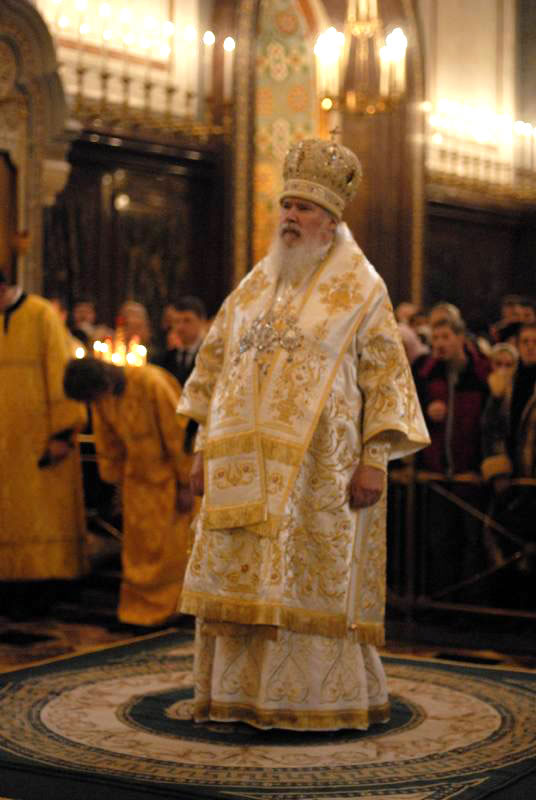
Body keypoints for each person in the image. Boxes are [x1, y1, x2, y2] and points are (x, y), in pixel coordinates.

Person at [176, 137, 429, 732]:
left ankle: (315, 702)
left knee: (307, 580)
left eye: (304, 208)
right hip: (240, 468)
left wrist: (374, 460)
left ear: (331, 220)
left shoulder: (362, 288)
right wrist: (202, 448)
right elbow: (214, 368)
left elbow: (386, 377)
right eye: (286, 205)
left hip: (321, 474)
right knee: (243, 581)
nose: (290, 216)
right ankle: (235, 697)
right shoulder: (254, 285)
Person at [63, 357, 193, 628]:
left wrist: (185, 483)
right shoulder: (103, 397)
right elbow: (108, 443)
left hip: (169, 482)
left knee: (170, 551)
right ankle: (139, 611)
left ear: (103, 382)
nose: (97, 403)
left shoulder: (152, 383)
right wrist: (117, 483)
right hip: (136, 484)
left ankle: (172, 610)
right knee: (137, 553)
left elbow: (179, 435)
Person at [0, 270, 88, 618]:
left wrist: (63, 433)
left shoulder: (41, 315)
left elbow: (62, 374)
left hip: (39, 440)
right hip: (5, 442)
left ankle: (44, 592)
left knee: (42, 515)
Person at [413, 316, 490, 600]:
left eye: (445, 337)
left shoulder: (480, 375)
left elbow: (487, 425)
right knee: (440, 541)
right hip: (437, 476)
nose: (439, 344)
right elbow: (412, 418)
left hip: (469, 476)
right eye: (435, 338)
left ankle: (471, 605)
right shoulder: (427, 375)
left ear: (460, 338)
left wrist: (480, 466)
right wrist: (426, 412)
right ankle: (443, 603)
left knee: (472, 542)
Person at [481, 323, 536, 607]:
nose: (530, 347)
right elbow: (492, 427)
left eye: (535, 342)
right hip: (512, 480)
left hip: (532, 477)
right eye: (525, 341)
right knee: (509, 544)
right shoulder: (505, 384)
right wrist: (499, 467)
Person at [153, 296, 207, 387]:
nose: (180, 327)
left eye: (187, 320)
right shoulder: (163, 359)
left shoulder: (209, 357)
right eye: (177, 321)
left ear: (202, 321)